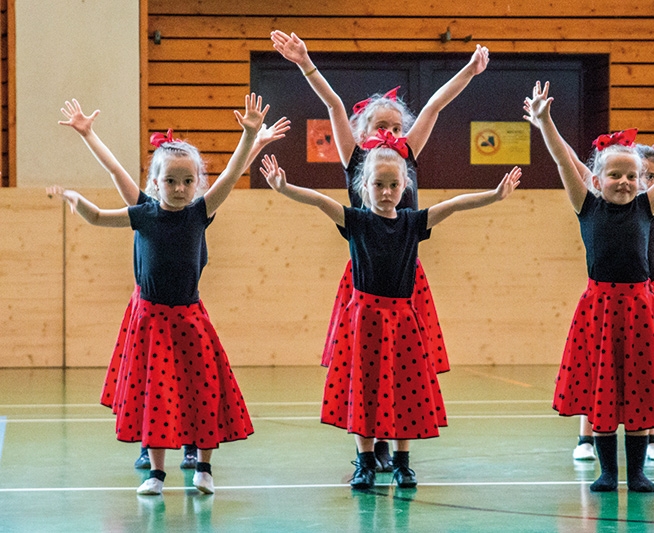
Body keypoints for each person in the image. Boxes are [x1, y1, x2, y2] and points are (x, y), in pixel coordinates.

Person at [271, 29, 489, 471]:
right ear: (361, 132)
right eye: (379, 127)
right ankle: (370, 450)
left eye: (394, 127)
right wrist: (304, 63)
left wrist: (468, 70)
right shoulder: (354, 160)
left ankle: (394, 443)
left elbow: (434, 106)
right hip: (366, 281)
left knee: (403, 366)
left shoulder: (406, 156)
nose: (388, 133)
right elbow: (333, 104)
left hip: (407, 279)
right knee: (368, 368)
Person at [259, 136, 520, 490]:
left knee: (404, 390)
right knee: (363, 391)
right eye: (378, 185)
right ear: (364, 186)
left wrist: (495, 195)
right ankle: (364, 462)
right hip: (363, 319)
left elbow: (455, 205)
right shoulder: (356, 221)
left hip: (402, 321)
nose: (386, 192)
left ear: (404, 186)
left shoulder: (413, 223)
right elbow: (319, 201)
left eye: (394, 185)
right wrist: (285, 187)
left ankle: (402, 464)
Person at [48, 93, 271, 496]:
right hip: (150, 321)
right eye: (170, 180)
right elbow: (105, 199)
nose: (180, 188)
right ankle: (156, 473)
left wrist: (248, 136)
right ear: (155, 183)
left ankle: (204, 466)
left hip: (189, 317)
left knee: (201, 388)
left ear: (197, 183)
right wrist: (85, 161)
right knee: (156, 393)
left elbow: (233, 174)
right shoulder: (144, 212)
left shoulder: (200, 212)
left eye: (188, 181)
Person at [525, 80, 654, 492]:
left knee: (639, 389)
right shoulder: (587, 205)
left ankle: (636, 473)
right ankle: (608, 472)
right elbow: (565, 163)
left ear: (640, 180)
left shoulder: (648, 206)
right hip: (599, 308)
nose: (623, 181)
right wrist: (546, 123)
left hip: (640, 310)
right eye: (614, 174)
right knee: (602, 390)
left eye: (631, 175)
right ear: (597, 180)